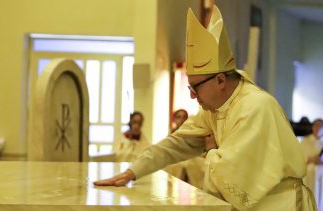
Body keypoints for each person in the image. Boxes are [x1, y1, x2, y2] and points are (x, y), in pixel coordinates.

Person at [95, 5, 317, 210]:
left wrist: (210, 149)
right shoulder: (215, 108)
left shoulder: (255, 107)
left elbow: (232, 173)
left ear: (220, 80)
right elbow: (177, 143)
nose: (192, 96)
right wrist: (132, 171)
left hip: (279, 205)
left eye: (195, 88)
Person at [300, 118, 323, 194]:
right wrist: (310, 159)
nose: (318, 128)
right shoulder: (305, 140)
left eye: (320, 126)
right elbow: (300, 157)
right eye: (316, 125)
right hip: (309, 169)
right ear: (312, 127)